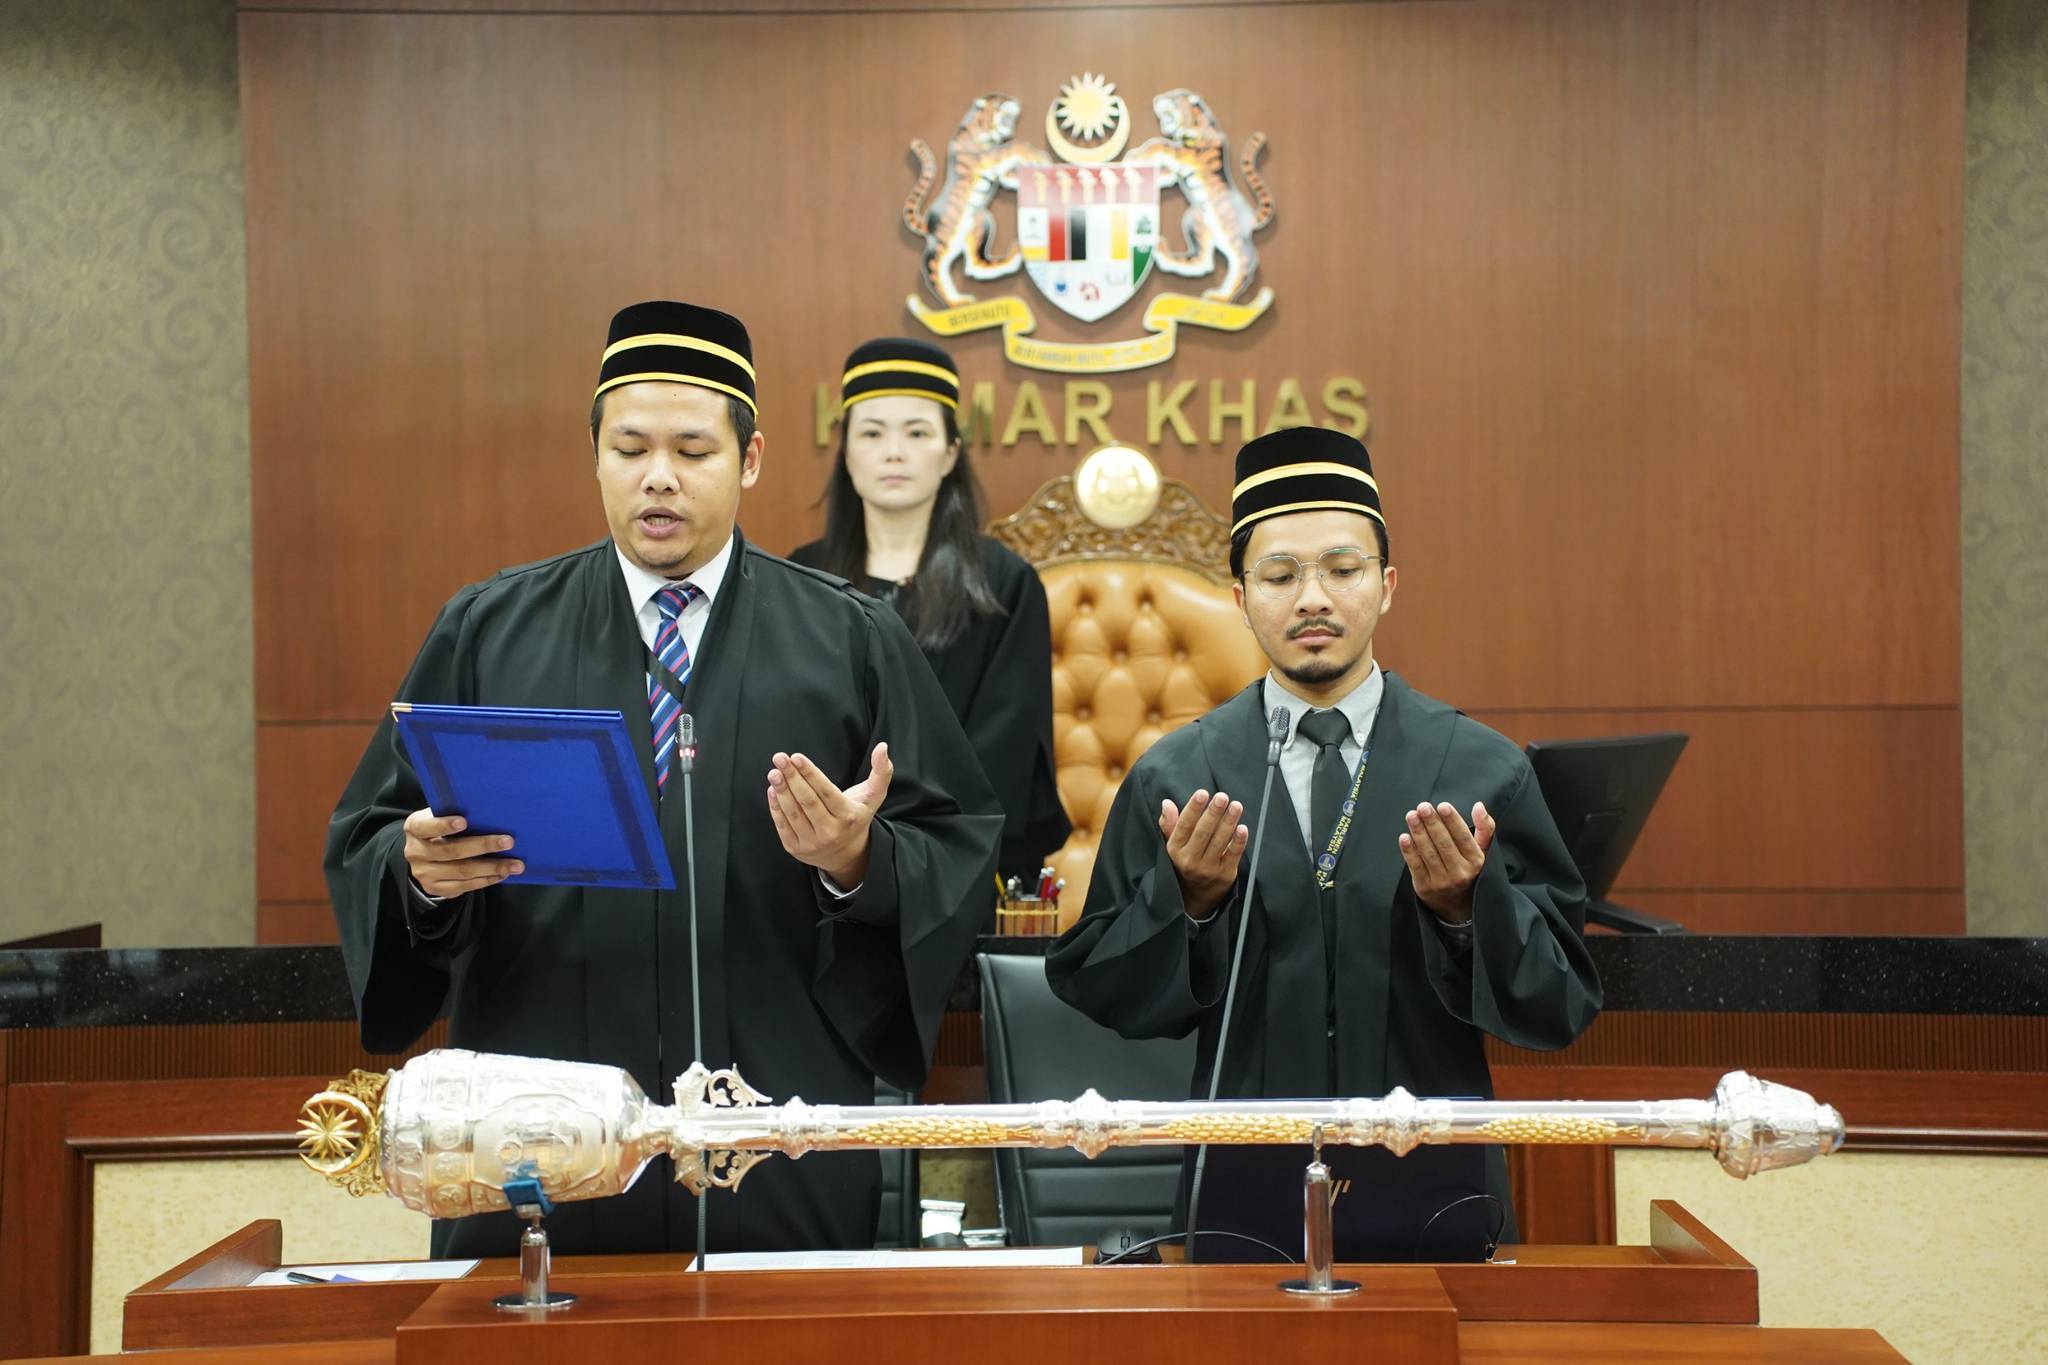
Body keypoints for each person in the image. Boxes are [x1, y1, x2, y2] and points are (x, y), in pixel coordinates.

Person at [326, 301, 1004, 1258]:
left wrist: (859, 861)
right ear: (595, 455)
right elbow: (374, 834)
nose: (659, 477)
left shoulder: (850, 637)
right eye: (630, 448)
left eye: (693, 450)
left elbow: (955, 836)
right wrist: (419, 876)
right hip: (533, 1129)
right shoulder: (490, 629)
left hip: (776, 1128)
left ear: (750, 459)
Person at [1045, 426, 1600, 1240]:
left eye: (1343, 570)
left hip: (1434, 1175)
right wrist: (1188, 901)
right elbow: (1101, 986)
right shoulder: (1180, 777)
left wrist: (1465, 910)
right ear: (1241, 599)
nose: (1313, 598)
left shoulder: (1479, 770)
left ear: (1386, 585)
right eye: (1280, 575)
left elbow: (1561, 998)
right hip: (1243, 1181)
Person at [790, 337, 1069, 904]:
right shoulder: (801, 580)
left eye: (917, 433)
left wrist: (899, 853)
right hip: (821, 866)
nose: (894, 453)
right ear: (846, 452)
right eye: (872, 433)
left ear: (949, 454)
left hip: (958, 870)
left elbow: (1004, 761)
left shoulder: (1005, 585)